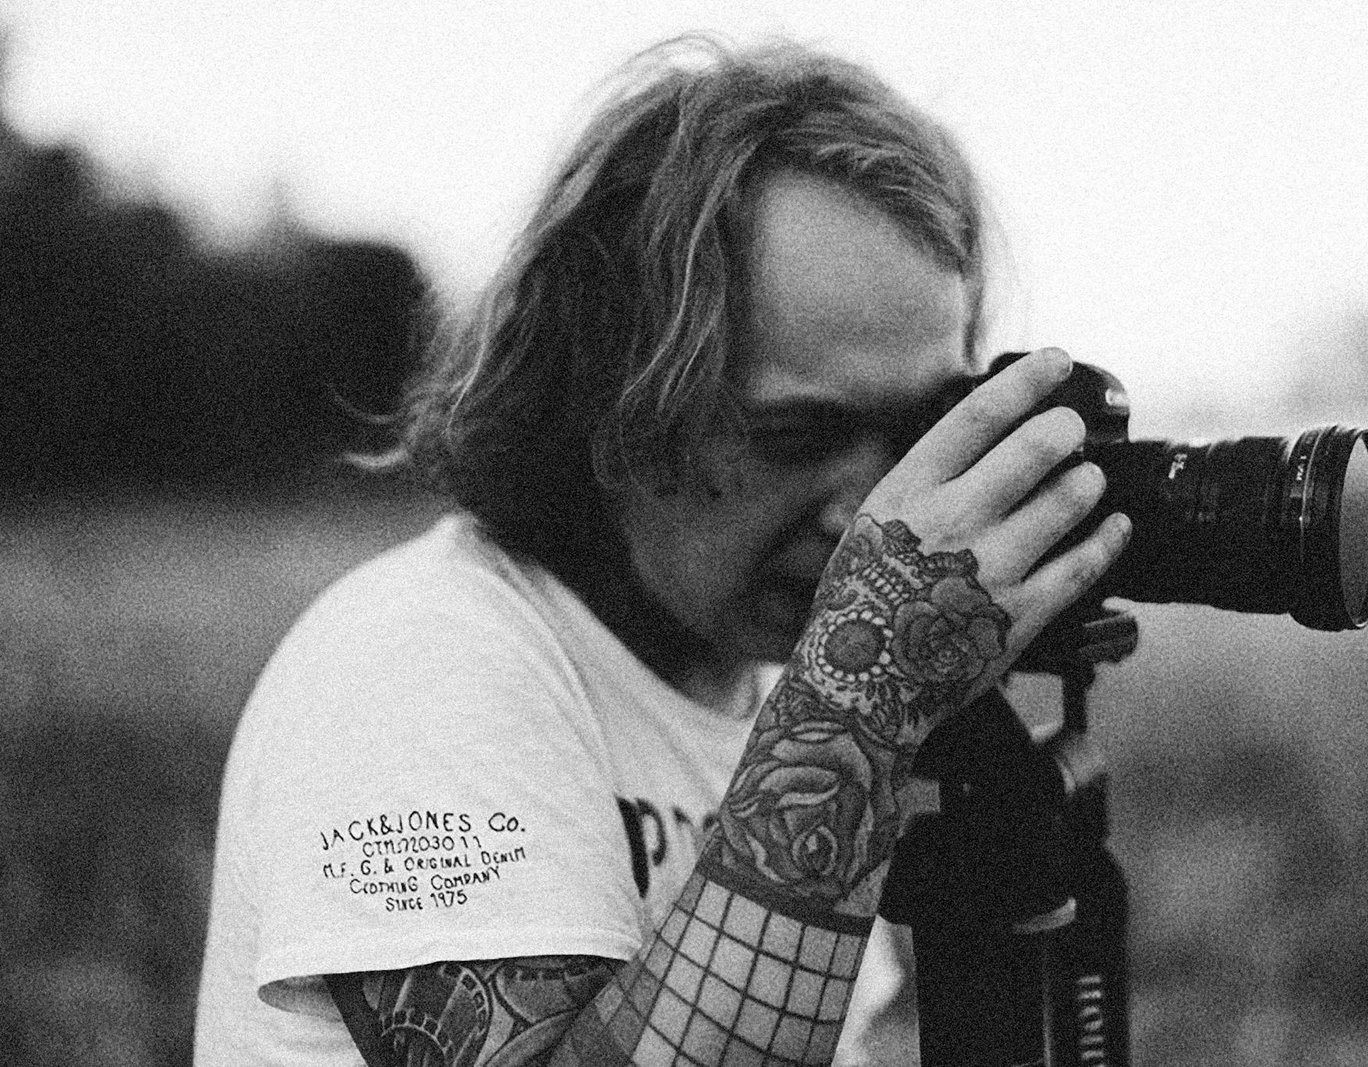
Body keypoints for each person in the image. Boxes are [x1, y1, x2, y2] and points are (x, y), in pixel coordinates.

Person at [194, 36, 1130, 1066]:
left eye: (920, 431)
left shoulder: (762, 680)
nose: (874, 513)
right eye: (795, 436)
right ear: (610, 402)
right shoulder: (422, 661)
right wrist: (858, 706)